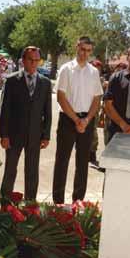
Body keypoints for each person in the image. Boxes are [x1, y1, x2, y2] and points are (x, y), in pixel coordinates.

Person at [52, 37, 103, 204]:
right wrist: (76, 119)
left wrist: (86, 120)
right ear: (77, 47)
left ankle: (78, 201)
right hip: (68, 119)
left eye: (88, 50)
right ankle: (58, 202)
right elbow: (61, 97)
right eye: (82, 49)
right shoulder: (66, 69)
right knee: (62, 161)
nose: (85, 53)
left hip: (87, 121)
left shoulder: (94, 72)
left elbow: (97, 98)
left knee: (82, 163)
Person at [0, 46, 52, 202]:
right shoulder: (11, 81)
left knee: (32, 171)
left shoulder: (45, 83)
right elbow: (5, 110)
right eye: (31, 60)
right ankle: (5, 204)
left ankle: (30, 204)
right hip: (14, 135)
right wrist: (4, 135)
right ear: (23, 61)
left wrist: (46, 135)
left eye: (37, 60)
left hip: (35, 136)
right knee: (10, 170)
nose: (34, 63)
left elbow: (47, 112)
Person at [89, 59, 104, 170]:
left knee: (93, 131)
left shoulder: (102, 81)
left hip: (95, 111)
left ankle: (92, 154)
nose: (96, 70)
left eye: (98, 69)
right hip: (83, 109)